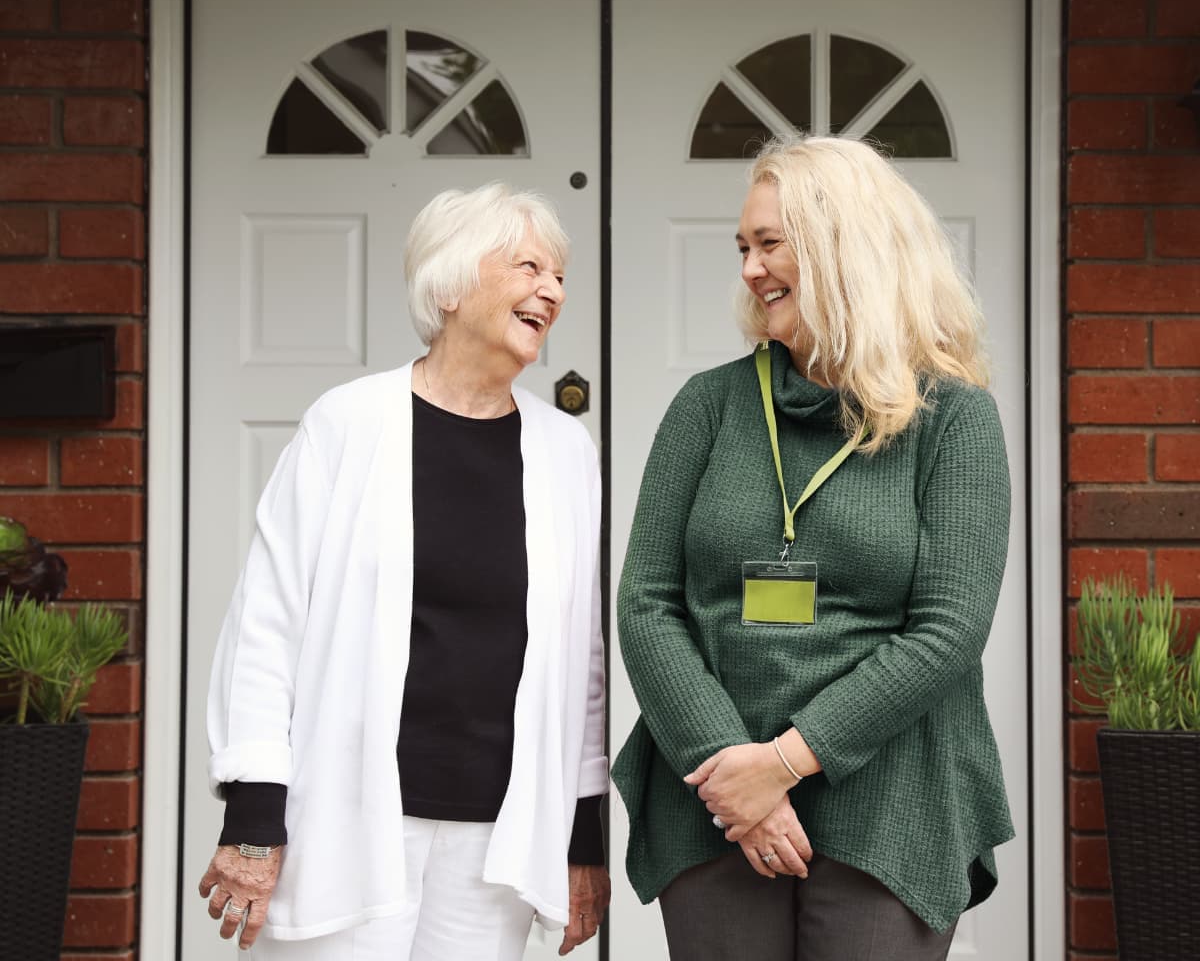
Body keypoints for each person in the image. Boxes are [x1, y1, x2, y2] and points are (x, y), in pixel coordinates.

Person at [612, 135, 1013, 961]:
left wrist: (787, 763)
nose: (751, 269)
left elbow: (949, 629)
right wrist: (736, 774)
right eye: (744, 249)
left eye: (770, 244)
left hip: (893, 795)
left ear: (845, 249)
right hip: (712, 791)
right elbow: (647, 602)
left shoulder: (955, 418)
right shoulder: (708, 405)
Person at [199, 182, 610, 959]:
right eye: (528, 267)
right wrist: (254, 815)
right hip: (350, 820)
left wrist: (580, 836)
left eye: (559, 275)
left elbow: (580, 665)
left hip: (501, 838)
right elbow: (267, 622)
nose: (552, 290)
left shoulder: (565, 451)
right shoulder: (346, 424)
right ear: (451, 284)